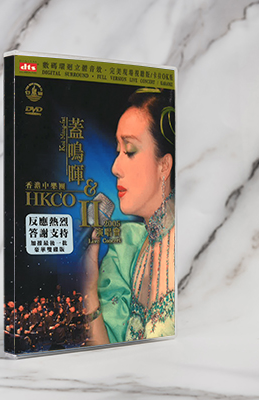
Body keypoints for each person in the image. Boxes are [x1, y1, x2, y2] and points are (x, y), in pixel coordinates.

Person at [83, 88, 175, 345]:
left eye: (130, 150)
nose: (115, 167)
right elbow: (111, 359)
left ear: (164, 166)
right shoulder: (132, 250)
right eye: (118, 151)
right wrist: (88, 290)